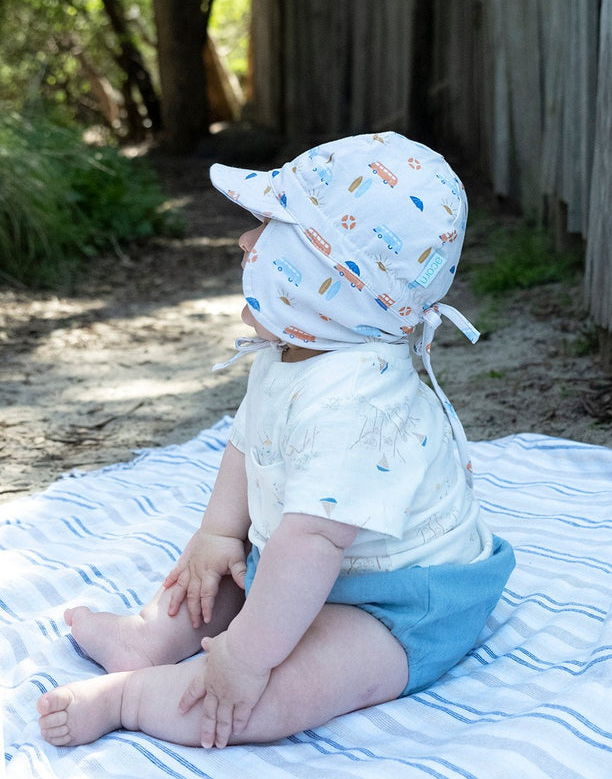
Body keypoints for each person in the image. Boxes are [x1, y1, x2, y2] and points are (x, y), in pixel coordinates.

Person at [37, 131, 515, 749]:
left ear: (326, 280)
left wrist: (244, 659)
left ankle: (131, 697)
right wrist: (217, 534)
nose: (244, 241)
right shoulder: (290, 351)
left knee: (277, 691)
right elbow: (249, 443)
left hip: (400, 603)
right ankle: (149, 636)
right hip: (296, 563)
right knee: (218, 574)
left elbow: (314, 540)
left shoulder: (357, 402)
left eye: (268, 232)